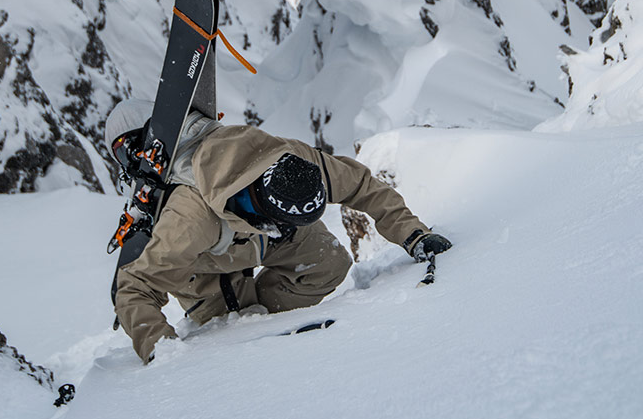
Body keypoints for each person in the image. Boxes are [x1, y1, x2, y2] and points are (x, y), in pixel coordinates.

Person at [105, 98, 453, 362]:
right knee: (227, 325)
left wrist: (414, 235)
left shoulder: (295, 157)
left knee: (329, 263)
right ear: (262, 208)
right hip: (205, 261)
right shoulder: (190, 217)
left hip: (256, 235)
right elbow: (134, 288)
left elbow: (361, 185)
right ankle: (242, 318)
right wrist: (163, 355)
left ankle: (263, 316)